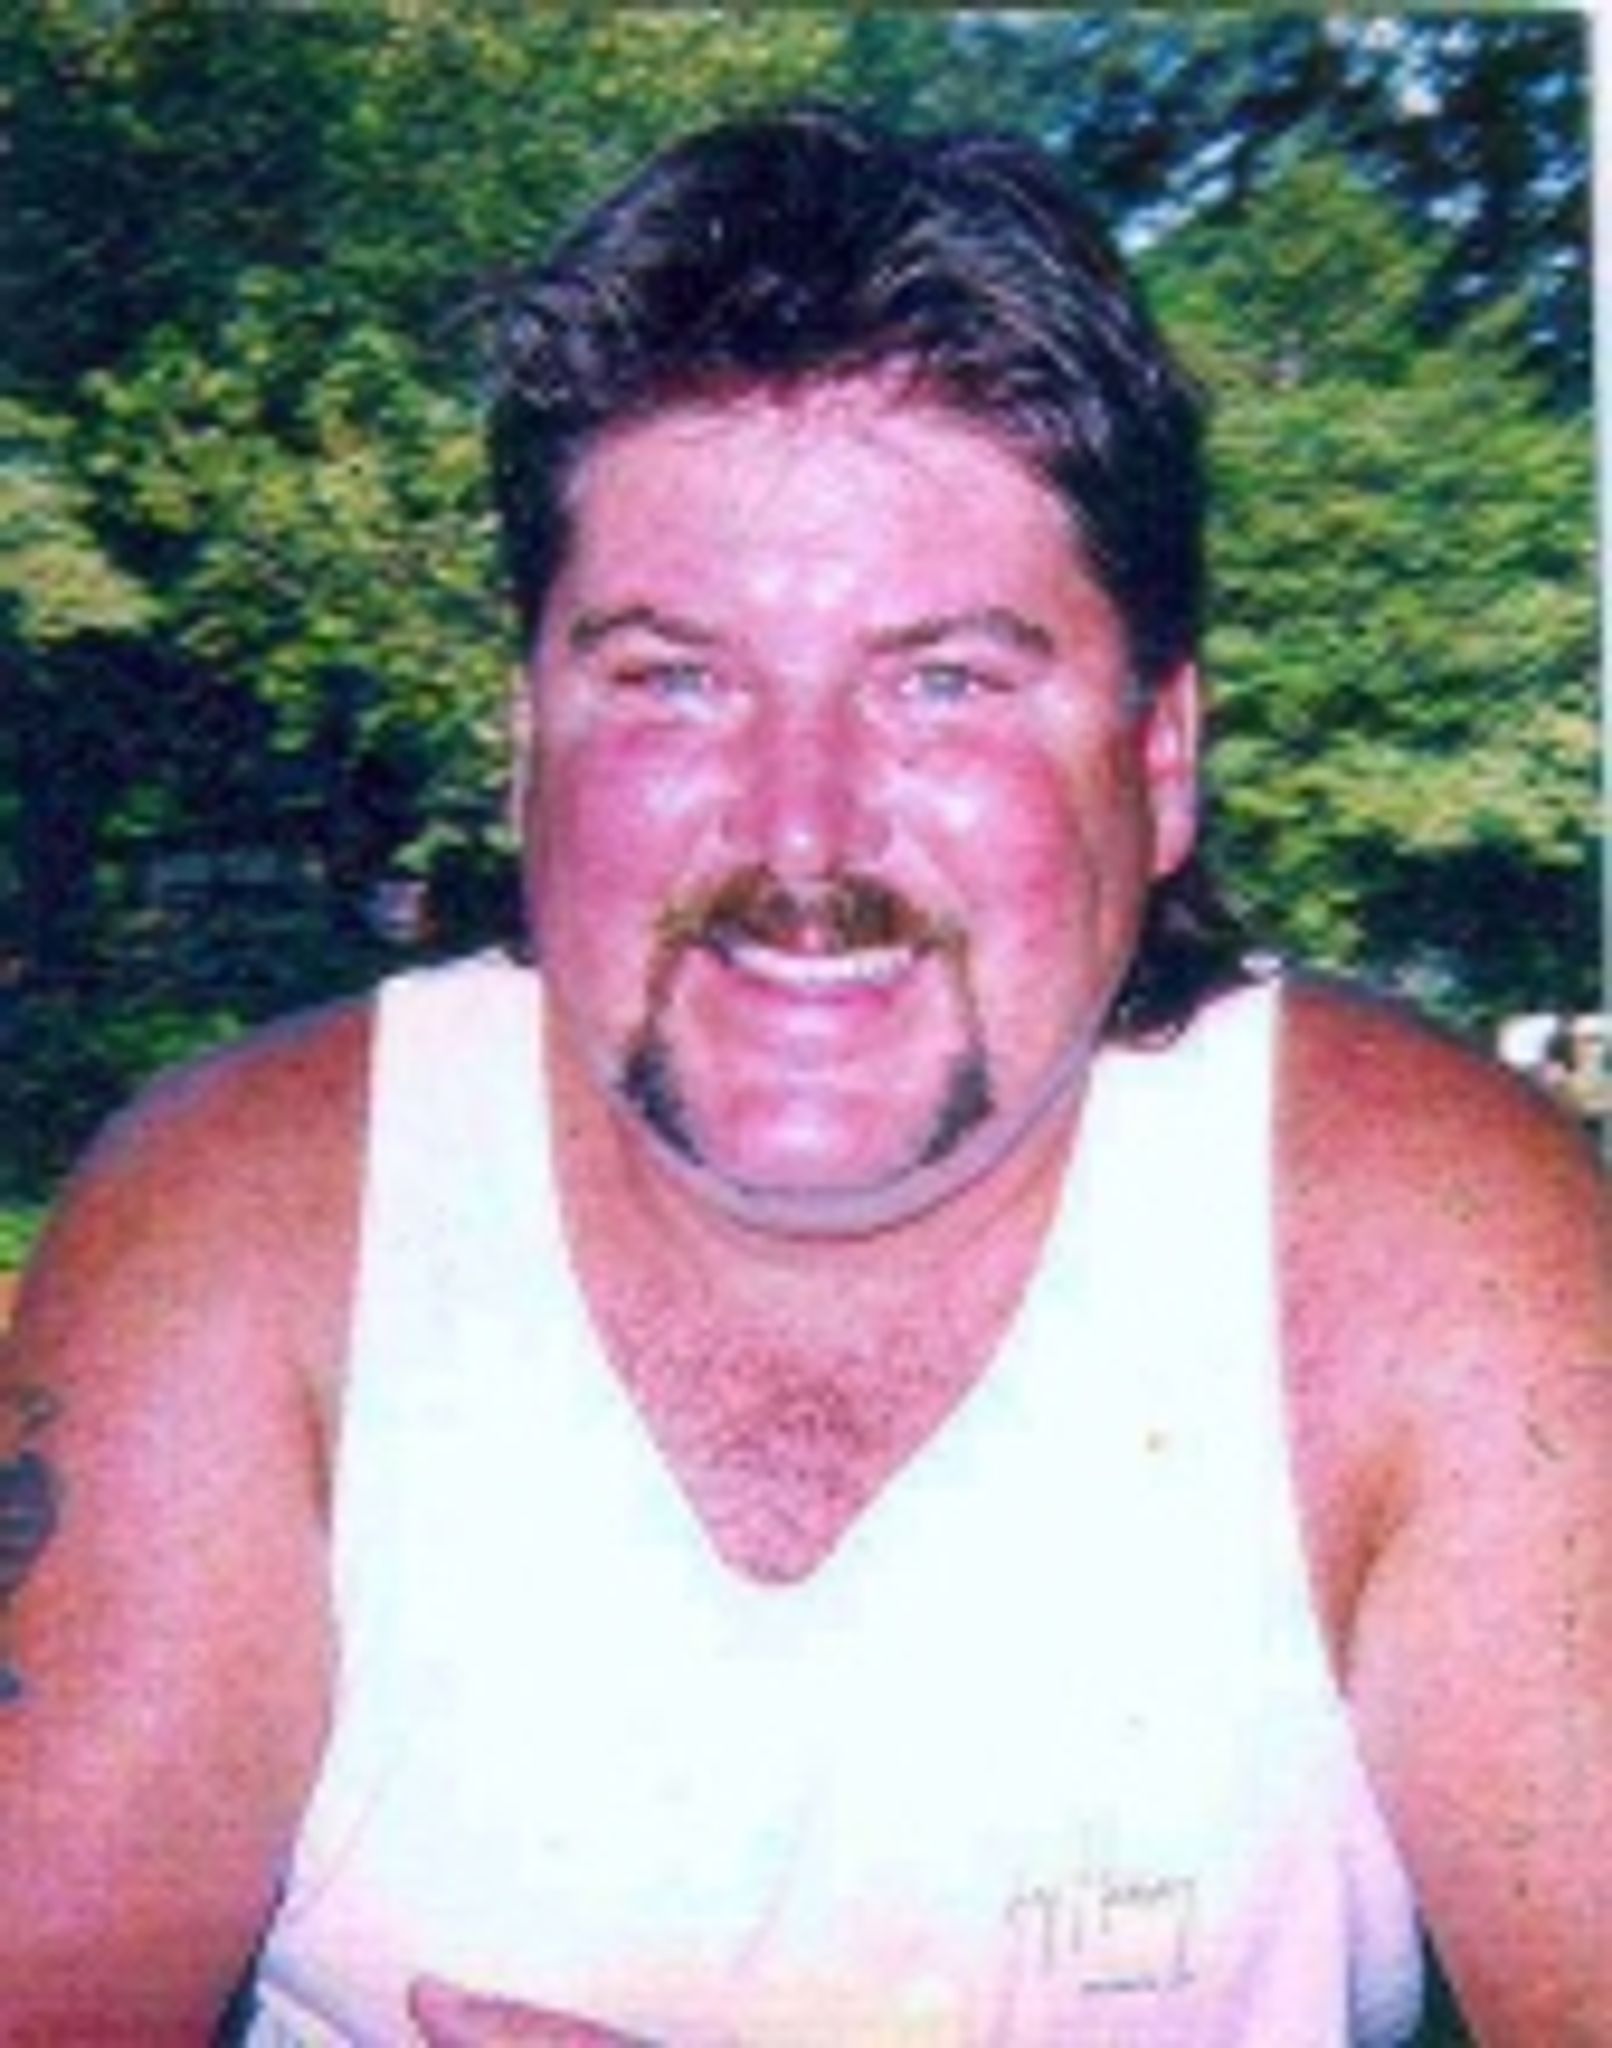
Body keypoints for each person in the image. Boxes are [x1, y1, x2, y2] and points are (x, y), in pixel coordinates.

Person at [2, 106, 1608, 2047]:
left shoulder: (1427, 1252)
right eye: (673, 679)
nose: (800, 831)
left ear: (1158, 758)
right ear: (525, 745)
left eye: (944, 681)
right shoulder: (251, 1229)